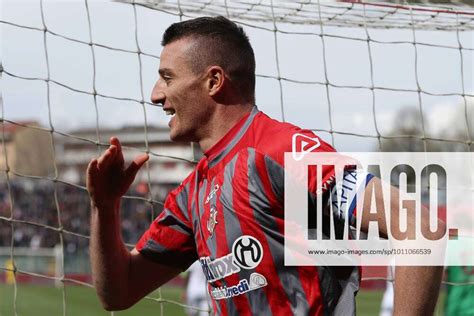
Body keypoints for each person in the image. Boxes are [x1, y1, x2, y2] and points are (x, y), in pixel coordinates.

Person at [87, 16, 444, 315]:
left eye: (167, 77)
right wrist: (104, 207)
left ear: (213, 81)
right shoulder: (194, 190)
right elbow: (119, 292)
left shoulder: (281, 151)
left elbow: (419, 227)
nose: (155, 94)